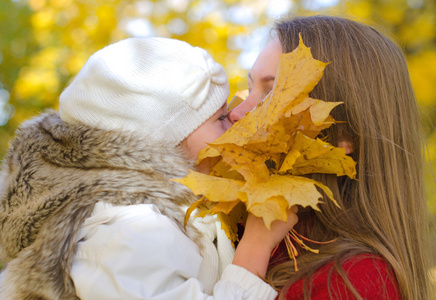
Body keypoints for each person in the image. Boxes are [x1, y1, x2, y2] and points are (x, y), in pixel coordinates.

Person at [0, 37, 296, 299]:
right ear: (164, 143)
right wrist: (255, 248)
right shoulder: (131, 234)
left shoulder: (164, 215)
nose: (235, 117)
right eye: (219, 118)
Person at [228, 15, 430, 300]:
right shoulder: (235, 225)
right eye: (250, 89)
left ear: (343, 134)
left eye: (271, 93)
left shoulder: (353, 281)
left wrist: (249, 260)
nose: (236, 113)